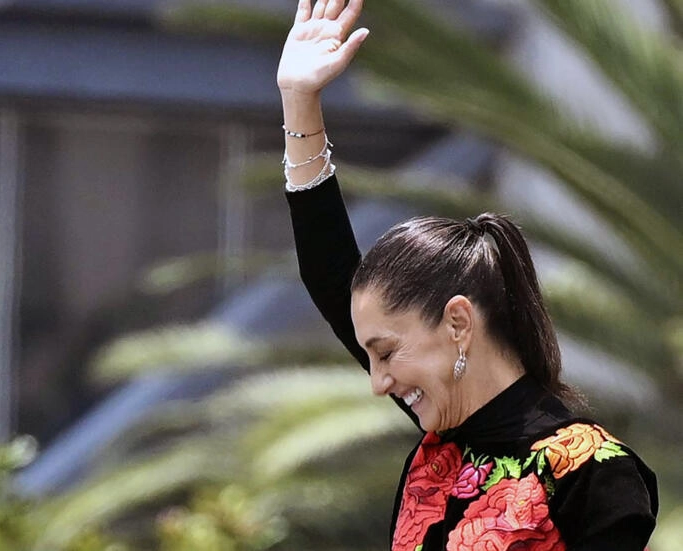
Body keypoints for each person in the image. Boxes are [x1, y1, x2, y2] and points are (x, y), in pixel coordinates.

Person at [277, 1, 658, 550]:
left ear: (458, 322)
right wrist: (299, 101)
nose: (377, 382)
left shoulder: (593, 471)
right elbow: (329, 272)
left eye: (385, 353)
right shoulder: (445, 443)